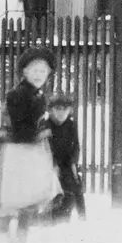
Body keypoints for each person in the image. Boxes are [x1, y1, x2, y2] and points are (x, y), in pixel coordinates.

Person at [0, 47, 62, 243]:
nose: (39, 75)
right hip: (15, 152)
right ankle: (2, 237)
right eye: (35, 70)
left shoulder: (38, 95)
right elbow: (22, 129)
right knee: (12, 196)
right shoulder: (17, 94)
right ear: (24, 71)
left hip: (30, 152)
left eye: (43, 71)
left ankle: (19, 238)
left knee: (26, 198)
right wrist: (41, 131)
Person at [44, 95, 86, 223]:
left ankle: (82, 215)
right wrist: (53, 164)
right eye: (58, 109)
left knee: (75, 184)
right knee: (54, 188)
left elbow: (76, 146)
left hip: (67, 161)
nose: (61, 112)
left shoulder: (71, 125)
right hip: (50, 163)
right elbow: (45, 148)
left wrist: (73, 162)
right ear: (51, 110)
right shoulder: (47, 125)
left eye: (65, 109)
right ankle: (51, 215)